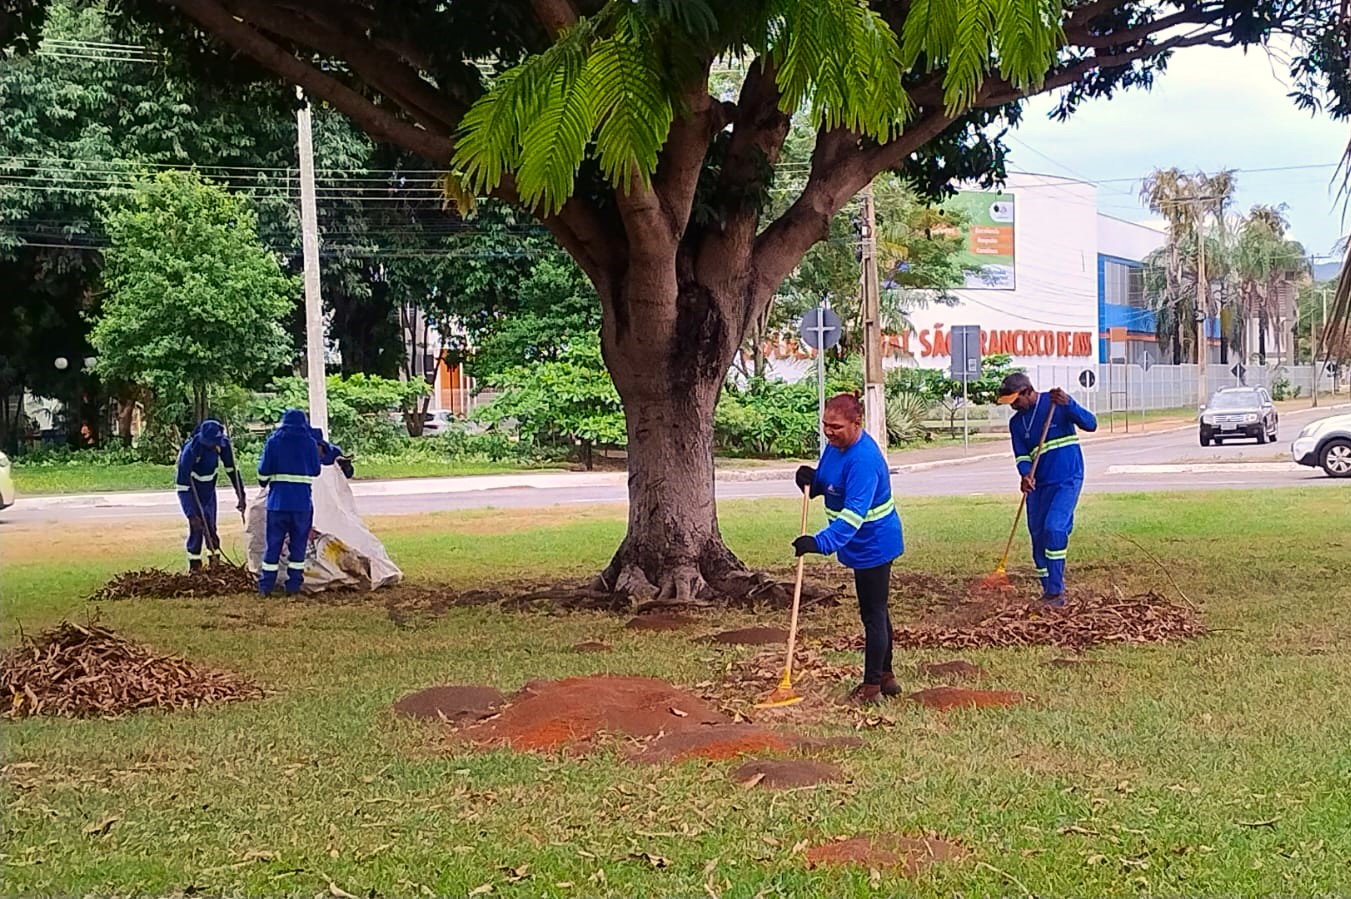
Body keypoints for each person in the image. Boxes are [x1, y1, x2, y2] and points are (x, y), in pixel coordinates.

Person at [791, 393, 904, 705]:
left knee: (873, 614)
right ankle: (886, 677)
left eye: (836, 427)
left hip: (874, 543)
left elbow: (853, 515)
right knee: (876, 611)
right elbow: (832, 483)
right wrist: (814, 481)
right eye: (825, 425)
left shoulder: (864, 460)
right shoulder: (835, 447)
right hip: (860, 544)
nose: (829, 432)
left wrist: (819, 542)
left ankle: (872, 689)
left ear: (857, 424)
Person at [996, 373, 1098, 607]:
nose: (1013, 405)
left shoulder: (1056, 404)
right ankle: (1047, 590)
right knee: (1038, 534)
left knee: (1054, 528)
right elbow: (1021, 455)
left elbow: (1091, 424)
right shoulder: (1016, 423)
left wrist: (1069, 404)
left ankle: (1056, 592)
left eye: (1015, 400)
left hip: (1066, 479)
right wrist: (1024, 474)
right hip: (1038, 484)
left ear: (1028, 392)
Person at [256, 408, 321, 595]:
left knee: (273, 545)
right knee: (298, 546)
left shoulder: (274, 441)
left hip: (277, 504)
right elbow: (316, 470)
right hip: (302, 505)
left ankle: (266, 586)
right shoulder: (309, 442)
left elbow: (262, 472)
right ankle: (293, 586)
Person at [175, 419, 246, 571]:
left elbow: (232, 470)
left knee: (211, 526)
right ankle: (195, 566)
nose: (213, 446)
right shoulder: (191, 451)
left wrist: (241, 494)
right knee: (197, 527)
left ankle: (215, 562)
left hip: (209, 490)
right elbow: (182, 485)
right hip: (192, 491)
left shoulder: (223, 445)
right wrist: (190, 513)